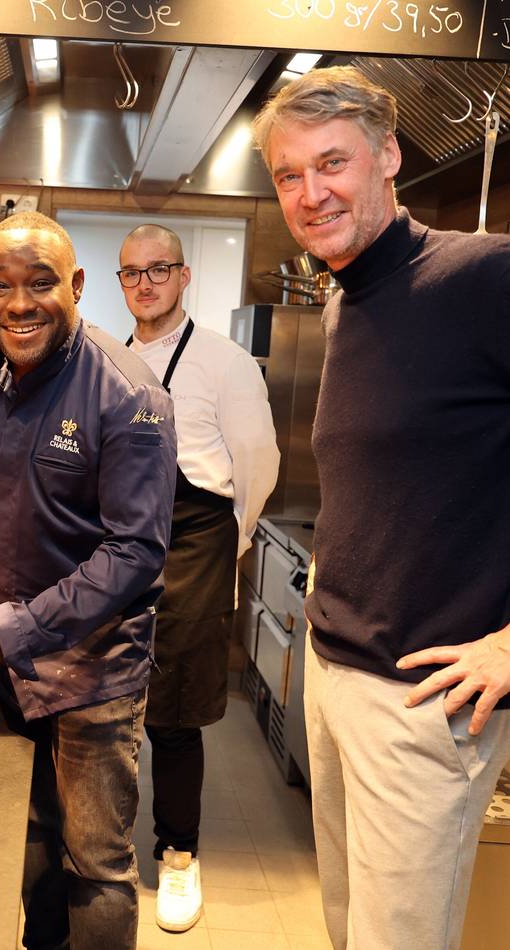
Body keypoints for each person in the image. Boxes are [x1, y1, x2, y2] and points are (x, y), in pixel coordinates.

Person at [253, 65, 510, 949]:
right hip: (334, 677)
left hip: (421, 702)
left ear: (389, 155)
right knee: (345, 930)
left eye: (333, 163)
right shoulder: (345, 299)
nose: (311, 192)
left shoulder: (483, 279)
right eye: (289, 175)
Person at [0, 210, 177, 950]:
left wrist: (9, 629)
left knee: (94, 863)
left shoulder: (129, 394)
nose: (19, 305)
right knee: (26, 834)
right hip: (9, 659)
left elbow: (134, 554)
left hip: (96, 668)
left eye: (41, 283)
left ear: (77, 286)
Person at [118, 225, 280, 932]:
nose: (145, 283)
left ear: (184, 277)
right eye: (132, 273)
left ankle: (178, 853)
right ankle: (105, 848)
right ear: (120, 283)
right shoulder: (106, 360)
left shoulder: (226, 362)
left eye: (159, 270)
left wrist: (231, 538)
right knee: (110, 706)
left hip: (196, 542)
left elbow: (259, 462)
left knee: (175, 713)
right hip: (119, 547)